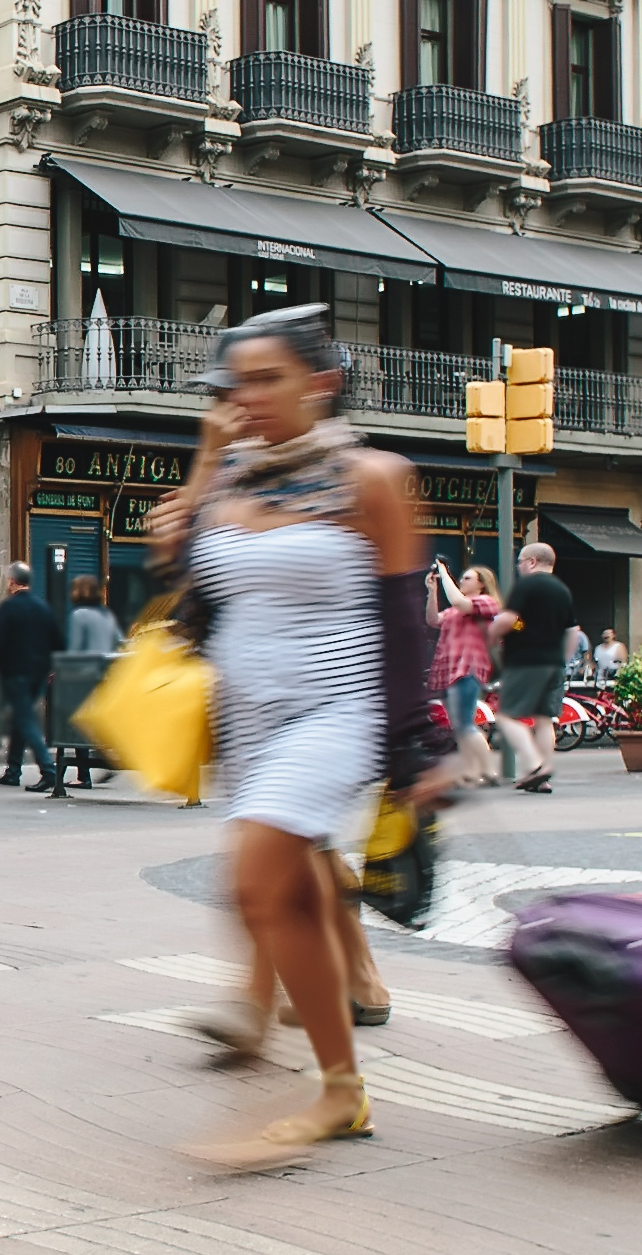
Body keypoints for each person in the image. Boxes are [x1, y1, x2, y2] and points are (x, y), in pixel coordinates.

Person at [147, 304, 448, 1164]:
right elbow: (193, 605)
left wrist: (413, 751)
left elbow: (404, 623)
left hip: (335, 713)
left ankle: (331, 1088)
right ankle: (342, 1089)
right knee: (291, 894)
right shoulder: (234, 479)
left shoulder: (371, 479)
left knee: (257, 874)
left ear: (321, 382)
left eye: (269, 378)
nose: (251, 396)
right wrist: (196, 495)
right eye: (240, 381)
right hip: (251, 724)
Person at [493, 541, 579, 795]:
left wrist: (491, 634)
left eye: (520, 562)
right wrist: (560, 657)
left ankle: (534, 765)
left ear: (531, 562)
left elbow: (510, 620)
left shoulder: (528, 585)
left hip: (527, 661)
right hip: (554, 664)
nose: (519, 568)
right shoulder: (563, 591)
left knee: (506, 715)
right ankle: (543, 776)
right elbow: (572, 631)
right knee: (544, 720)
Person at [0, 565, 64, 797]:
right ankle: (13, 770)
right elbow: (58, 641)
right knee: (22, 716)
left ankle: (49, 771)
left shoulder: (9, 608)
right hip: (38, 674)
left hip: (15, 673)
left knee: (25, 719)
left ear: (12, 582)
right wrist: (52, 666)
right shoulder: (42, 607)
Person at [426, 562, 501, 787]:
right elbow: (433, 620)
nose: (462, 581)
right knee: (459, 725)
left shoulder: (486, 603)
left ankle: (488, 770)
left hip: (468, 667)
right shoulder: (454, 610)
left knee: (465, 723)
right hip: (449, 669)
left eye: (468, 578)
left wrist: (444, 572)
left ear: (481, 584)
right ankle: (471, 771)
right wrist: (432, 592)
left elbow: (459, 601)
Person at [67, 576, 124, 657]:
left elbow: (75, 649)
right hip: (107, 666)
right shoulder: (107, 614)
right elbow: (119, 641)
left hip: (88, 666)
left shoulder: (79, 614)